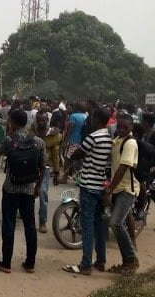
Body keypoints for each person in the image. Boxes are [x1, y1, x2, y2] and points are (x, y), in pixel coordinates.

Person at [0, 109, 45, 274]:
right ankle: (30, 263)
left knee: (8, 224)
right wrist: (37, 187)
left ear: (12, 122)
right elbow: (43, 167)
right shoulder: (38, 142)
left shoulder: (9, 140)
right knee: (29, 225)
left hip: (10, 189)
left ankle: (6, 263)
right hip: (29, 189)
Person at [62, 108, 112, 275]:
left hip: (89, 184)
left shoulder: (93, 137)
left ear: (97, 119)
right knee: (98, 224)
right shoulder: (109, 138)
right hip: (100, 185)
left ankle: (85, 264)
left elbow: (77, 154)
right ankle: (101, 261)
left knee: (88, 225)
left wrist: (68, 160)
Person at [105, 113, 139, 276]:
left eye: (126, 127)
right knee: (119, 223)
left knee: (116, 223)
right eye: (119, 126)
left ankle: (132, 260)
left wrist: (110, 188)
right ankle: (126, 262)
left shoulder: (130, 143)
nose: (122, 129)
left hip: (126, 188)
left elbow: (123, 168)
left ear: (131, 127)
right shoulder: (117, 140)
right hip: (119, 188)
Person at [30, 111, 62, 233]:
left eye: (44, 120)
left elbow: (55, 154)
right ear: (36, 120)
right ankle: (23, 213)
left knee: (43, 193)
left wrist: (57, 171)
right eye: (39, 120)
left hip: (46, 167)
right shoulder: (31, 131)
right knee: (27, 191)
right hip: (31, 165)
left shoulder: (54, 135)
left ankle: (42, 221)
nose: (41, 122)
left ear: (47, 120)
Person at [60, 102, 87, 183]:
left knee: (67, 159)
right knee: (80, 160)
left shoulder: (73, 116)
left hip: (73, 140)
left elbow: (70, 129)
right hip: (81, 141)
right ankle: (79, 179)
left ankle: (64, 178)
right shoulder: (85, 116)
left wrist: (65, 141)